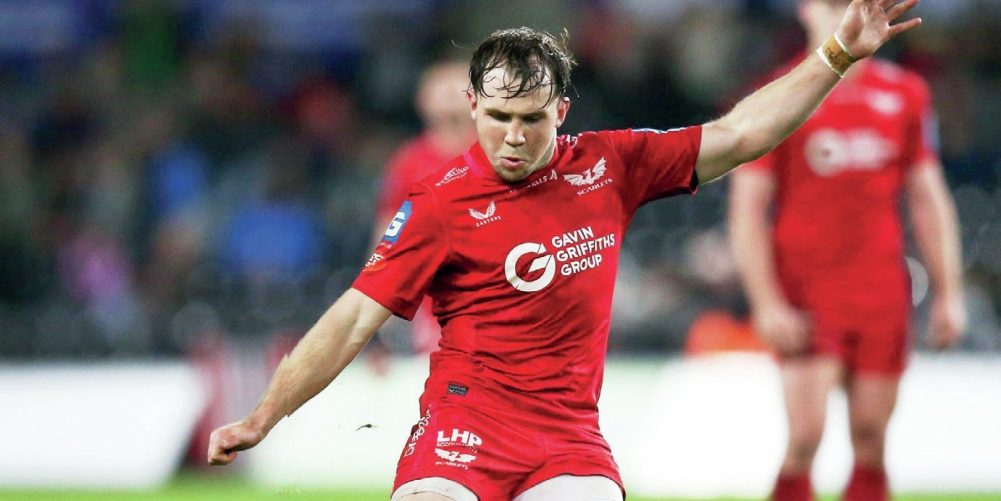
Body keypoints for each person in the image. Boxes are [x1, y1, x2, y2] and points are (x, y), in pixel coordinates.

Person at [208, 3, 922, 499]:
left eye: (531, 119)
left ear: (562, 111)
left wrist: (835, 56)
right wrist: (262, 416)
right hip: (460, 433)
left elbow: (739, 135)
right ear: (473, 106)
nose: (513, 137)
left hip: (568, 442)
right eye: (497, 117)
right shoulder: (437, 204)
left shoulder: (610, 165)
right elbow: (350, 320)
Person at [728, 1, 966, 500]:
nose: (844, 15)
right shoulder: (778, 95)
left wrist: (949, 293)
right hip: (806, 293)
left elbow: (928, 197)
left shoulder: (905, 94)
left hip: (880, 292)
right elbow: (747, 209)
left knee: (871, 439)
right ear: (805, 10)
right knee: (805, 437)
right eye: (833, 4)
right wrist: (767, 303)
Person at [373, 60, 476, 355]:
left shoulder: (498, 151)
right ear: (422, 101)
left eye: (457, 88)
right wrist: (379, 292)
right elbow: (389, 227)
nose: (451, 97)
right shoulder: (410, 161)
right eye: (442, 90)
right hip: (435, 291)